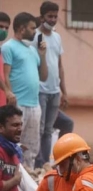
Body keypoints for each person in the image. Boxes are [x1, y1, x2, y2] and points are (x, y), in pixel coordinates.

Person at [2, 12, 48, 169]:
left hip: (34, 105)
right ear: (22, 28)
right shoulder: (8, 47)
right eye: (32, 28)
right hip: (18, 104)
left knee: (32, 148)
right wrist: (9, 93)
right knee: (15, 145)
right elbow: (5, 74)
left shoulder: (33, 50)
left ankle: (29, 175)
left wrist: (43, 56)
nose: (35, 32)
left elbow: (43, 76)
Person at [34, 1, 68, 168]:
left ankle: (46, 163)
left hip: (54, 91)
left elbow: (60, 65)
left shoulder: (57, 37)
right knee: (39, 129)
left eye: (55, 16)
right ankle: (37, 164)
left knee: (48, 130)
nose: (53, 19)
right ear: (42, 17)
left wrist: (64, 92)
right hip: (40, 90)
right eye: (50, 16)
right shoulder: (35, 36)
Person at [0, 12, 12, 106]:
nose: (3, 30)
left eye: (6, 28)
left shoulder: (3, 49)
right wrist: (7, 90)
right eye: (0, 26)